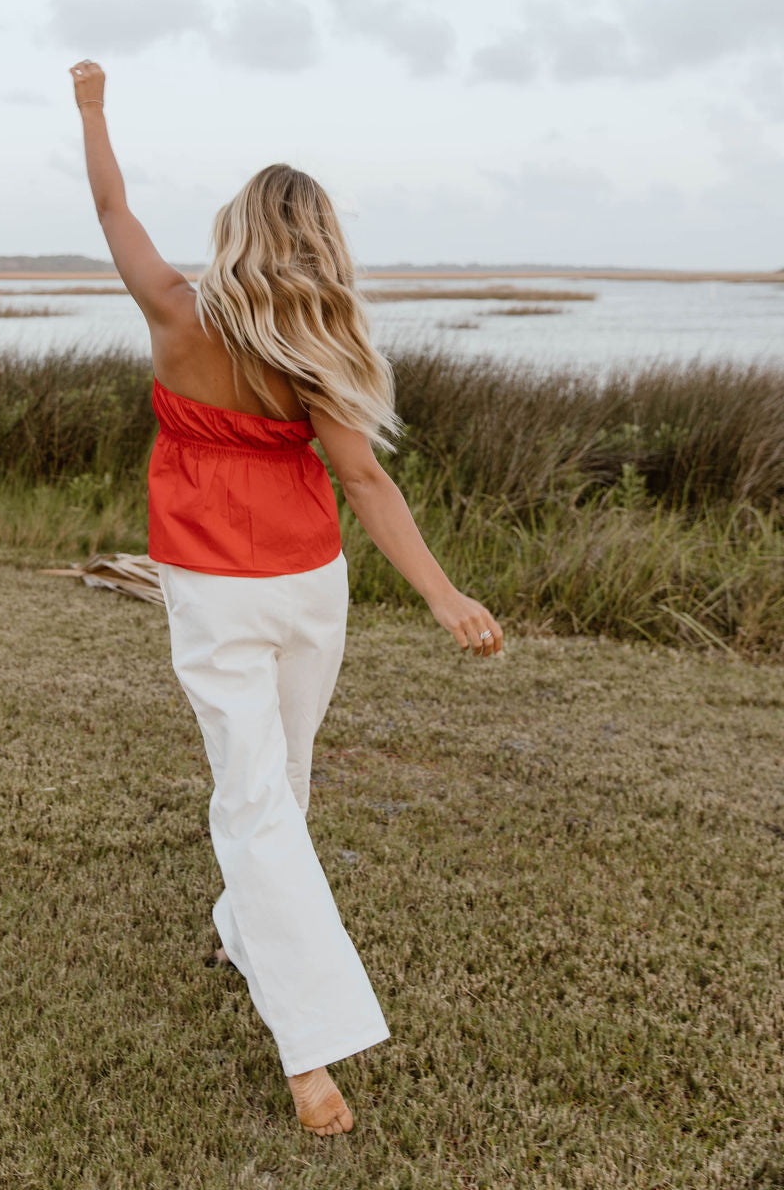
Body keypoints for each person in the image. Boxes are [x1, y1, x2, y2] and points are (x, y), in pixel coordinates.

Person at [69, 59, 503, 1136]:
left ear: (236, 233)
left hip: (224, 590)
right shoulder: (314, 353)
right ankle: (286, 1010)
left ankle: (273, 984)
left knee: (268, 793)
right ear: (318, 246)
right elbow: (365, 482)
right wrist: (442, 593)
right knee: (270, 791)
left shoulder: (176, 312)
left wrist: (92, 110)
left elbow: (112, 209)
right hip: (304, 587)